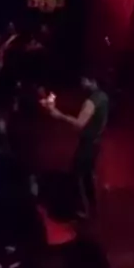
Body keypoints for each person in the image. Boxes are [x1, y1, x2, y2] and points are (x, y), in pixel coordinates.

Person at [44, 75, 109, 215]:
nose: (82, 83)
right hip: (96, 142)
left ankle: (83, 209)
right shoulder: (103, 96)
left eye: (85, 80)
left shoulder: (91, 101)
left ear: (93, 81)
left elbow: (79, 124)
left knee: (78, 175)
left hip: (88, 144)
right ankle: (93, 209)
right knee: (88, 175)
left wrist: (59, 115)